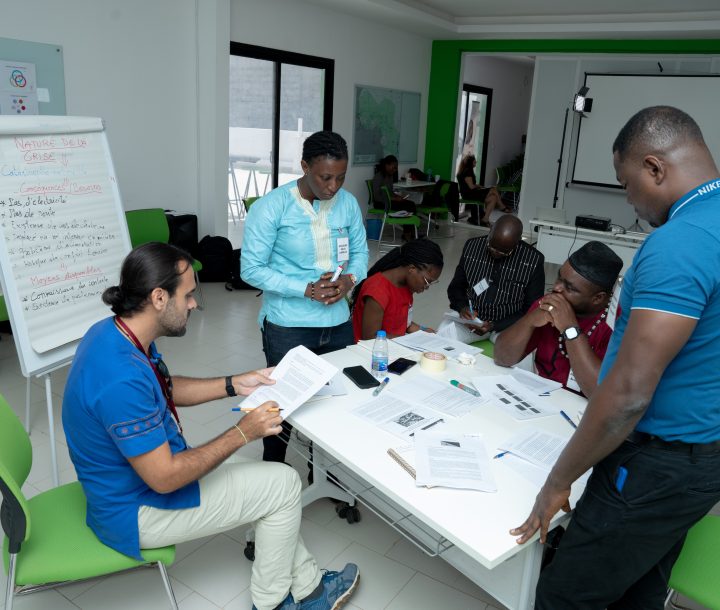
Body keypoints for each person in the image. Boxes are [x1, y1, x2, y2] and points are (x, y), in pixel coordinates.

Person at [62, 243, 359, 610]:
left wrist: (235, 382)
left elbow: (164, 388)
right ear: (158, 297)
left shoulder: (115, 333)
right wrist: (243, 433)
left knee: (267, 480)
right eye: (187, 295)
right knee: (283, 483)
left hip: (128, 485)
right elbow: (165, 478)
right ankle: (274, 603)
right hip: (134, 510)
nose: (194, 304)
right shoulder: (120, 378)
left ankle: (308, 587)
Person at [511, 106, 720, 609]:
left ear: (654, 167)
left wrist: (557, 482)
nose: (631, 202)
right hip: (703, 459)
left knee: (565, 596)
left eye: (626, 185)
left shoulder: (678, 244)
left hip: (653, 461)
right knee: (640, 589)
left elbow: (626, 396)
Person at [241, 131, 368, 465]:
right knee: (281, 406)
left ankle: (325, 473)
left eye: (340, 178)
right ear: (304, 167)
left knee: (333, 403)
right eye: (325, 177)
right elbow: (251, 269)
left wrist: (349, 282)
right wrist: (305, 288)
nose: (333, 187)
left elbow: (359, 255)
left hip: (338, 323)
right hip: (288, 325)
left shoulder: (348, 204)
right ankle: (273, 474)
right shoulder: (272, 207)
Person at [493, 240, 622, 398]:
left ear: (597, 298)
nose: (556, 288)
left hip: (585, 412)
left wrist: (570, 329)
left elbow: (600, 395)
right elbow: (501, 357)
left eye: (570, 288)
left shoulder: (617, 324)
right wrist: (530, 321)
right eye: (559, 277)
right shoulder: (549, 304)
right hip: (543, 399)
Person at [447, 214, 544, 339]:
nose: (495, 253)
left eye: (504, 252)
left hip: (507, 325)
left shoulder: (533, 260)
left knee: (516, 353)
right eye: (491, 246)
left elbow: (531, 308)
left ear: (518, 242)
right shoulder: (472, 247)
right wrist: (462, 307)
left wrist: (494, 325)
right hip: (472, 320)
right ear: (490, 229)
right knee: (445, 336)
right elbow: (456, 286)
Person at [350, 238, 443, 341]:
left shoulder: (406, 285)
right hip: (372, 352)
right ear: (412, 269)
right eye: (427, 281)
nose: (427, 287)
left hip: (394, 347)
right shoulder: (377, 290)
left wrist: (424, 331)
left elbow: (404, 323)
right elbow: (370, 337)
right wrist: (409, 341)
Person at [372, 154, 417, 240]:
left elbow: (390, 192)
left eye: (396, 167)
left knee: (411, 204)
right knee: (408, 206)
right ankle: (407, 234)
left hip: (389, 201)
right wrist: (394, 199)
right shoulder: (378, 176)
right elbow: (377, 197)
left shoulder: (390, 176)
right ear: (387, 165)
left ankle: (409, 232)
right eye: (393, 167)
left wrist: (398, 196)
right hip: (380, 203)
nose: (395, 169)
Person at [456, 154, 506, 227]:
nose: (476, 163)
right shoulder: (467, 172)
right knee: (493, 189)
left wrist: (478, 186)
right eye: (474, 162)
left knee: (493, 198)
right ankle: (502, 206)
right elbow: (471, 187)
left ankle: (485, 219)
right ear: (470, 163)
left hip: (471, 193)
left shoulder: (465, 171)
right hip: (470, 195)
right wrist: (478, 186)